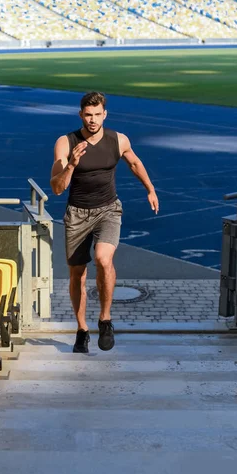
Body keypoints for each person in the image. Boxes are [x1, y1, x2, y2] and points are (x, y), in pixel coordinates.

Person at [50, 91, 159, 353]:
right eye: (88, 115)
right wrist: (72, 165)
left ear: (105, 114)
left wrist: (150, 188)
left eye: (97, 114)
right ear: (81, 115)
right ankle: (82, 329)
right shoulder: (66, 143)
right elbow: (56, 188)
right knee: (77, 274)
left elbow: (134, 162)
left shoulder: (118, 140)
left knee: (103, 259)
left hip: (108, 210)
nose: (93, 120)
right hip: (77, 214)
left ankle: (105, 319)